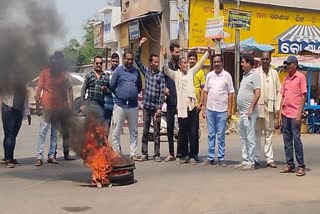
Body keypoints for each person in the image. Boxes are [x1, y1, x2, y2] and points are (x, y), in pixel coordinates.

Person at [162, 46, 211, 164]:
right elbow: (166, 70)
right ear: (180, 65)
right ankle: (182, 155)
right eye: (184, 63)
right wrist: (164, 58)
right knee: (182, 132)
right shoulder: (176, 75)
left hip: (192, 106)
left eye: (187, 63)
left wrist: (208, 53)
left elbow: (200, 63)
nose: (187, 64)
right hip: (182, 108)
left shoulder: (191, 72)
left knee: (193, 132)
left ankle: (193, 155)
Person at [34, 51, 73, 166]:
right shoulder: (44, 73)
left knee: (54, 133)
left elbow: (66, 90)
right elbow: (39, 89)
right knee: (43, 132)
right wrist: (37, 105)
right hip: (47, 107)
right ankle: (39, 156)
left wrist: (68, 105)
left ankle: (51, 155)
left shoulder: (62, 74)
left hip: (58, 108)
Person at [135, 37, 166, 162]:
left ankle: (157, 154)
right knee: (146, 130)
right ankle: (144, 153)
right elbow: (137, 60)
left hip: (156, 107)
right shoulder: (146, 72)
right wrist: (140, 45)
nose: (157, 64)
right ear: (150, 63)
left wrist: (159, 107)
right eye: (155, 62)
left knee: (157, 131)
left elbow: (162, 92)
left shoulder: (160, 75)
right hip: (147, 106)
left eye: (158, 62)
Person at [201, 54, 234, 167]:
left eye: (218, 62)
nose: (216, 64)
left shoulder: (227, 76)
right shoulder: (209, 75)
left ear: (222, 63)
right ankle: (210, 157)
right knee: (211, 134)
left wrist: (229, 110)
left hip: (222, 110)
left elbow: (230, 94)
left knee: (220, 135)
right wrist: (204, 107)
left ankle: (221, 157)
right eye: (214, 62)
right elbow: (205, 92)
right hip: (210, 109)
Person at [110, 51, 142, 161]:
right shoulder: (118, 71)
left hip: (133, 106)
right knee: (116, 131)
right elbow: (112, 86)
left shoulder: (136, 72)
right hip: (120, 105)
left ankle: (133, 153)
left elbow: (139, 87)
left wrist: (131, 95)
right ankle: (116, 153)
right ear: (123, 59)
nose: (129, 61)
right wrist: (121, 95)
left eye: (131, 59)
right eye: (128, 59)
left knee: (134, 131)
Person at [278, 56, 307, 176]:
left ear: (295, 65)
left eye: (289, 64)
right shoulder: (286, 79)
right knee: (287, 140)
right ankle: (290, 163)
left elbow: (303, 96)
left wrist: (299, 113)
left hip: (295, 114)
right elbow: (283, 96)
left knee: (296, 140)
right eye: (286, 64)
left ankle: (301, 166)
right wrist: (279, 114)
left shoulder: (300, 77)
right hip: (286, 113)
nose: (287, 66)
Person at [255, 52, 281, 168]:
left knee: (269, 133)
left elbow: (278, 92)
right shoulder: (256, 72)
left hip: (270, 107)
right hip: (258, 107)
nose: (265, 61)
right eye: (263, 59)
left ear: (270, 60)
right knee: (257, 133)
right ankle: (255, 158)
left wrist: (278, 109)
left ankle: (269, 159)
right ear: (261, 60)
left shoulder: (274, 73)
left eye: (267, 59)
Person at [235, 53, 261, 171]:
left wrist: (251, 108)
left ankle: (251, 161)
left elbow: (258, 93)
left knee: (250, 137)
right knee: (243, 136)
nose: (241, 64)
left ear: (250, 64)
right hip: (242, 112)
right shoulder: (245, 76)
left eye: (243, 62)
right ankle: (245, 159)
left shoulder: (254, 76)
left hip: (249, 112)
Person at [1, 84, 31, 168]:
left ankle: (11, 157)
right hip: (8, 109)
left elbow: (25, 98)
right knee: (9, 135)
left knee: (13, 136)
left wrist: (28, 113)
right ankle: (7, 159)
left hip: (19, 110)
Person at [163, 42, 180, 162]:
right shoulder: (166, 66)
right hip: (170, 101)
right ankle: (171, 152)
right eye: (176, 52)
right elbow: (162, 79)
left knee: (181, 128)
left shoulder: (181, 66)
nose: (178, 54)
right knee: (169, 127)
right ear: (171, 52)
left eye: (179, 52)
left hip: (181, 102)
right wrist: (164, 87)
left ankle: (180, 153)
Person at [80, 55, 110, 120]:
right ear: (93, 64)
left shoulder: (105, 76)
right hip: (90, 104)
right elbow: (83, 90)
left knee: (99, 126)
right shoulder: (89, 75)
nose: (99, 65)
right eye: (97, 63)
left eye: (100, 63)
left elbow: (109, 92)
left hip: (101, 105)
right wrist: (82, 104)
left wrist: (105, 90)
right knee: (90, 126)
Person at [188, 50, 206, 161]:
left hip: (196, 105)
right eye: (190, 59)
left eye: (194, 59)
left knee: (194, 131)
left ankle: (194, 154)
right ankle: (185, 153)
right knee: (185, 131)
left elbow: (204, 89)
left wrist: (201, 104)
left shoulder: (200, 72)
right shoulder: (185, 70)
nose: (192, 61)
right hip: (185, 105)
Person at [104, 53, 119, 132]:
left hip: (118, 104)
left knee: (116, 127)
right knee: (106, 126)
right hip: (108, 103)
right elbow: (105, 86)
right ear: (111, 62)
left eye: (116, 61)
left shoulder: (121, 72)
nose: (115, 63)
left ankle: (115, 144)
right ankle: (105, 144)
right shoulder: (107, 73)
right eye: (113, 61)